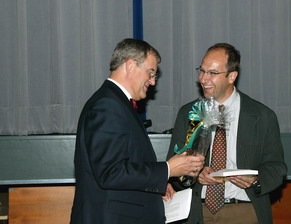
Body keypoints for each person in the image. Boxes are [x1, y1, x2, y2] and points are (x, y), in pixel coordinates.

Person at [70, 38, 205, 224]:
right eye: (151, 73)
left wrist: (157, 184)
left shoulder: (115, 102)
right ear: (131, 66)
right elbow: (110, 173)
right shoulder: (108, 105)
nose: (152, 81)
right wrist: (167, 169)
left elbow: (125, 165)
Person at [167, 43, 287, 224]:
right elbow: (174, 168)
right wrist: (194, 174)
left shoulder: (262, 116)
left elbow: (276, 168)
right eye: (202, 70)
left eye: (212, 73)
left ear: (232, 76)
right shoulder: (189, 113)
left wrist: (255, 180)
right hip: (198, 212)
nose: (203, 78)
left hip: (245, 211)